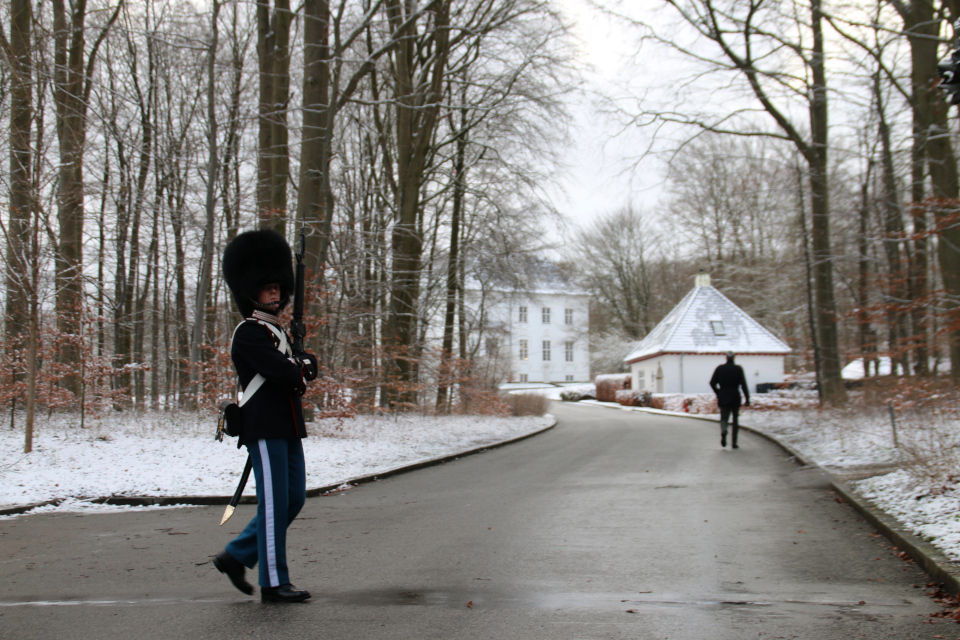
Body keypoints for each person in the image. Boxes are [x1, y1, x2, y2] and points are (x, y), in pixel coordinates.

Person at [213, 228, 319, 603]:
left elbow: (300, 371)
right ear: (251, 291)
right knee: (275, 505)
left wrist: (302, 362)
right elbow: (287, 373)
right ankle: (274, 582)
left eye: (278, 287)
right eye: (267, 287)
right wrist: (300, 365)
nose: (274, 292)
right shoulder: (249, 332)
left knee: (293, 500)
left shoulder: (278, 332)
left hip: (288, 425)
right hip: (265, 426)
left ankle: (237, 555)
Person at [709, 351, 750, 449]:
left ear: (726, 358)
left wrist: (718, 392)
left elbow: (712, 382)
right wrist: (747, 398)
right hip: (735, 396)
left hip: (723, 396)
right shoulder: (738, 369)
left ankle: (724, 430)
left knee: (724, 418)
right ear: (734, 358)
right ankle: (734, 443)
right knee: (735, 420)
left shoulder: (720, 369)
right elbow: (744, 385)